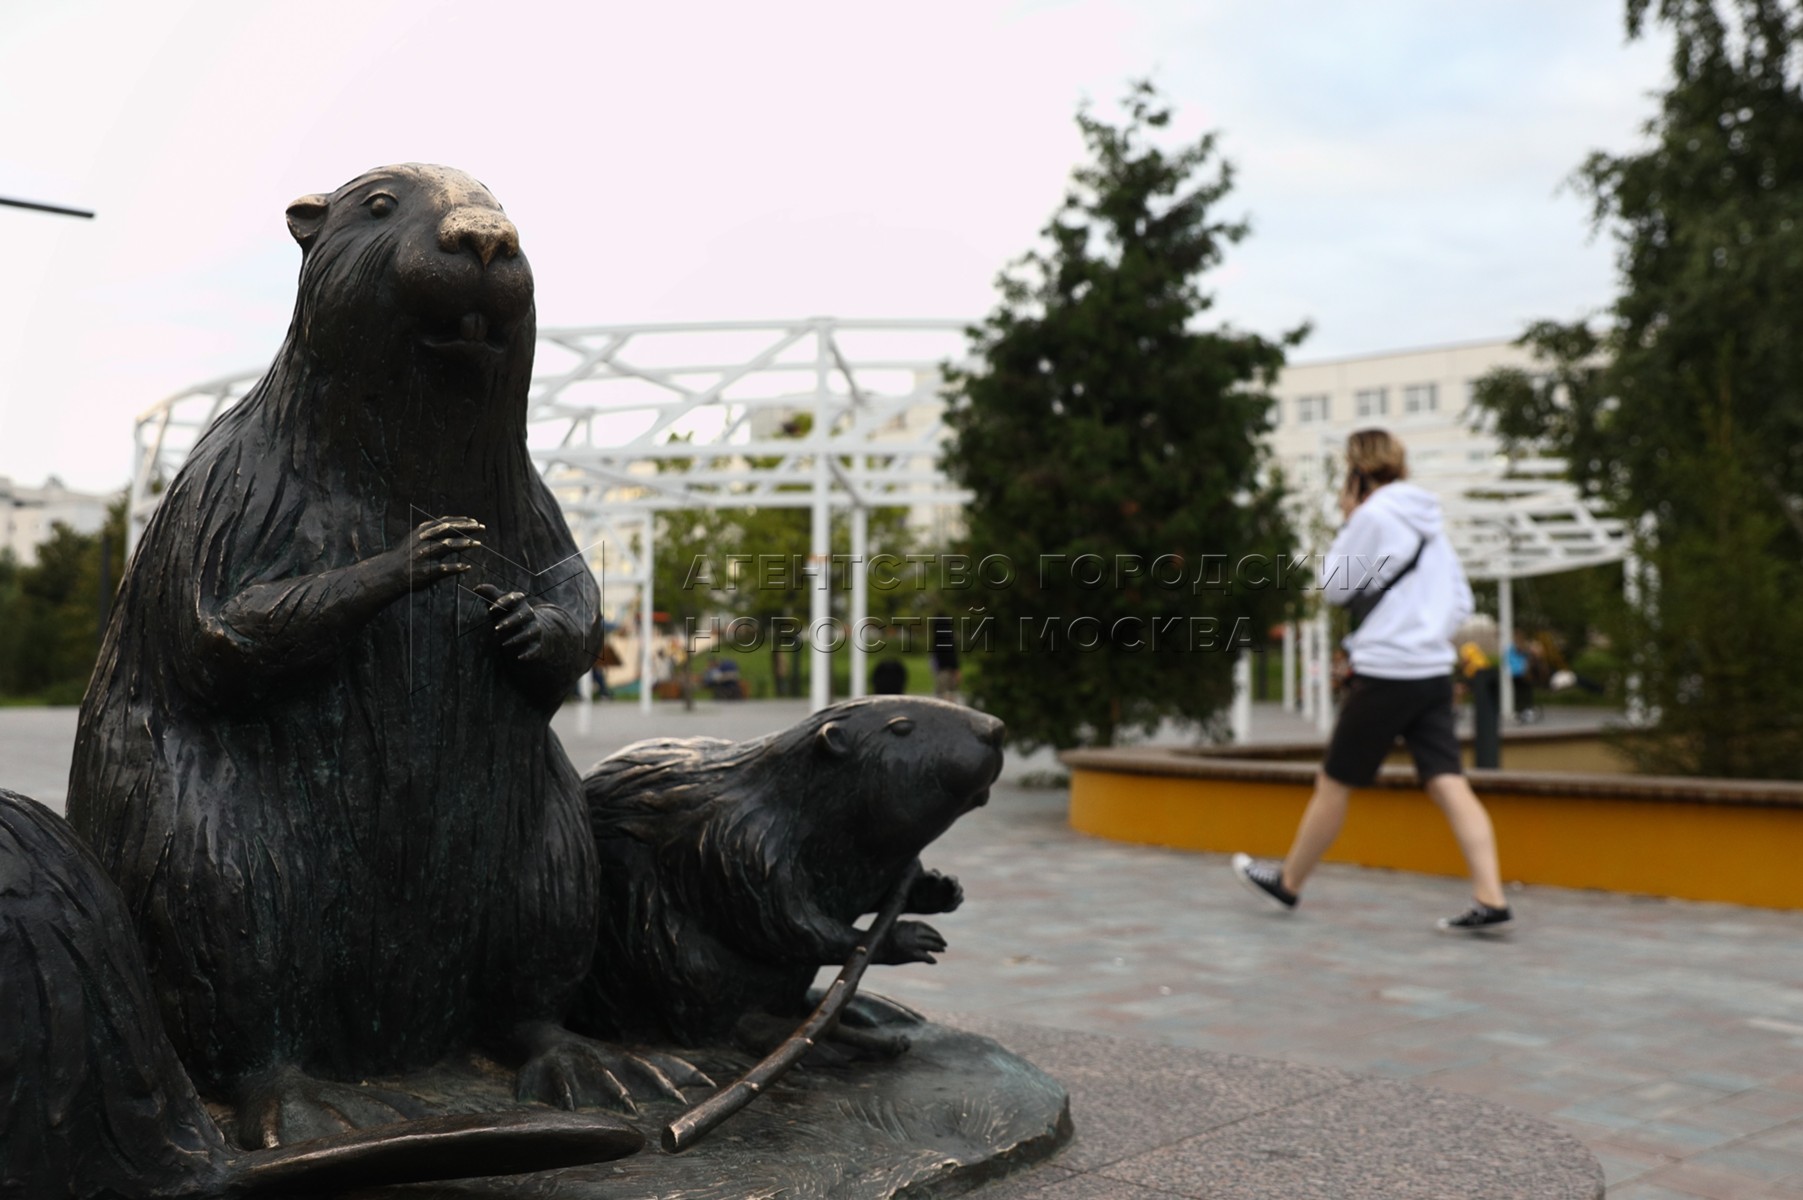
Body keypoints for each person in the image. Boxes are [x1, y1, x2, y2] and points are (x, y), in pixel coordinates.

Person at [1231, 428, 1512, 933]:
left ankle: (1290, 883)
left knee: (1334, 782)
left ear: (1357, 474)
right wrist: (1424, 632)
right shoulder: (1431, 525)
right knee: (1449, 781)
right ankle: (1490, 895)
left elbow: (1336, 589)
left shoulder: (1373, 516)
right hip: (1431, 671)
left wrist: (1348, 522)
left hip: (1386, 670)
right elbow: (1463, 603)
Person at [928, 616, 961, 702]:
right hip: (946, 670)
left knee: (943, 695)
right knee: (947, 695)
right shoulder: (947, 639)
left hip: (943, 670)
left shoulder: (940, 640)